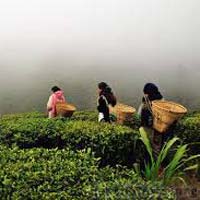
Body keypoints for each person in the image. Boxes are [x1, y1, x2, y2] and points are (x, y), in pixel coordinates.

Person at [138, 83, 164, 158]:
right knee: (157, 146)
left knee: (148, 145)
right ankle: (158, 164)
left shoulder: (147, 101)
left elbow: (139, 114)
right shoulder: (161, 100)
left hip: (148, 126)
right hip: (159, 127)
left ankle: (150, 164)